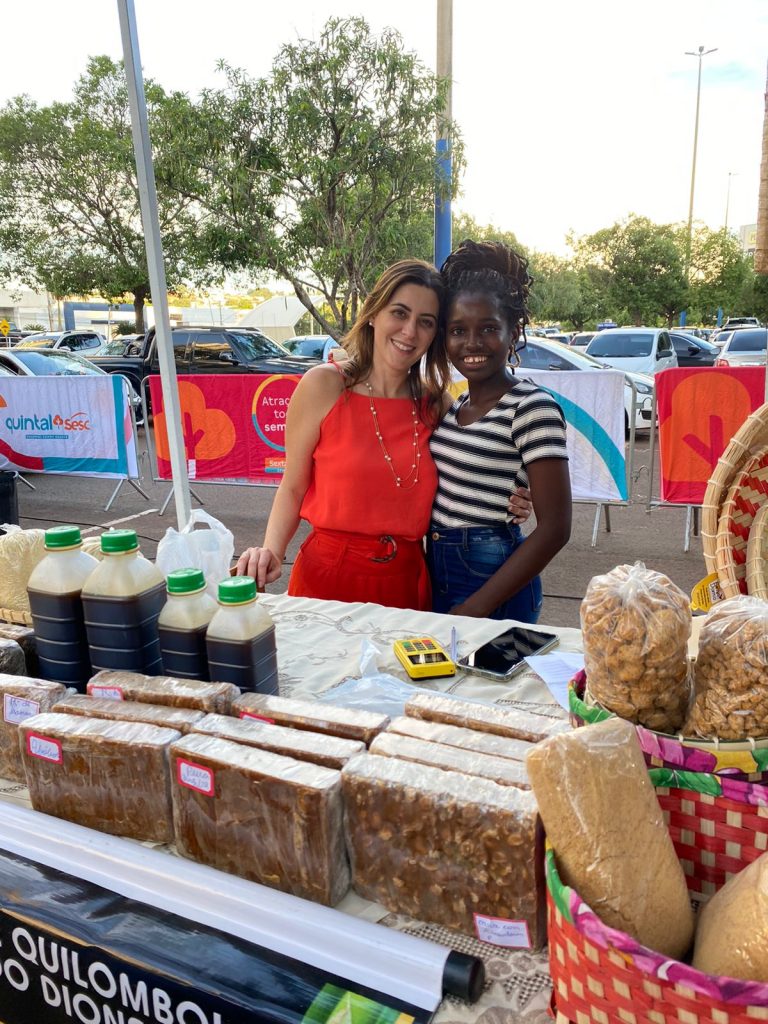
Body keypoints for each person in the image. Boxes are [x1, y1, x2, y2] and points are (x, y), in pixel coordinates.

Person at [236, 256, 532, 612]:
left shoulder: (436, 403)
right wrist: (270, 551)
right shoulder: (324, 385)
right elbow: (293, 486)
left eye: (425, 322)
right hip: (327, 577)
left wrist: (514, 496)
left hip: (408, 584)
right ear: (374, 314)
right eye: (399, 313)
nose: (410, 331)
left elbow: (474, 467)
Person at [426, 239, 572, 623]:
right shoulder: (457, 406)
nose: (472, 343)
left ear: (513, 332)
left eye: (488, 328)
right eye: (458, 330)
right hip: (440, 571)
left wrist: (478, 606)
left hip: (493, 584)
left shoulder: (531, 407)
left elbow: (556, 529)